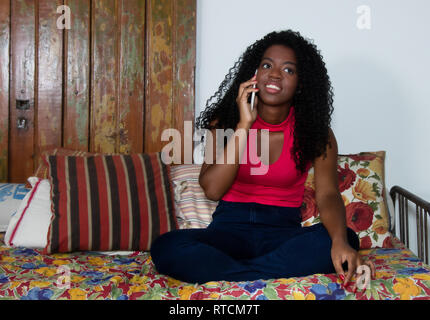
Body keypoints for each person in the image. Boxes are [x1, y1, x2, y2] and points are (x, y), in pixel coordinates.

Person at [150, 30, 376, 288]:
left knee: (345, 237)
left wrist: (339, 242)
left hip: (283, 234)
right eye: (267, 65)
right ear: (254, 74)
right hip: (228, 232)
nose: (276, 74)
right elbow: (212, 189)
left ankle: (234, 275)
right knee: (166, 247)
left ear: (301, 83)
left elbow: (327, 195)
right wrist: (244, 125)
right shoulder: (223, 123)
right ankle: (265, 273)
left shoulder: (315, 132)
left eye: (288, 70)